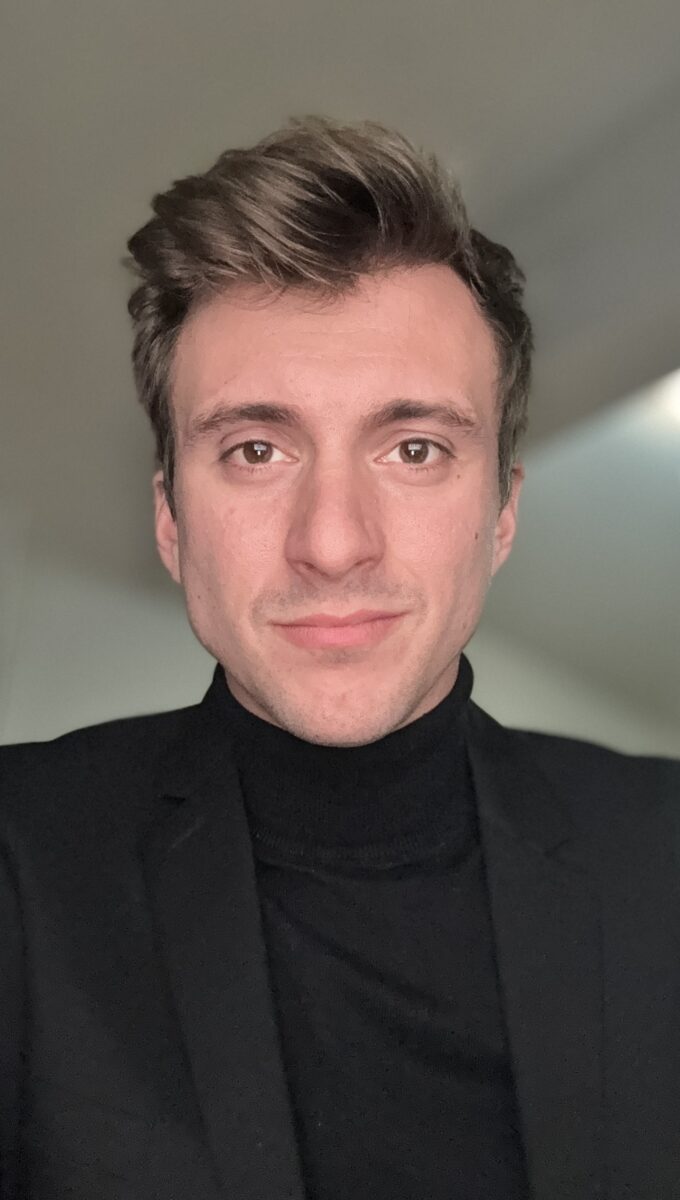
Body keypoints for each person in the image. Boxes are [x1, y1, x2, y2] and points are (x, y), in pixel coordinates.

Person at [1, 117, 678, 1200]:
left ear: (500, 513)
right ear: (170, 519)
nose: (330, 542)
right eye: (254, 450)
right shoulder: (21, 859)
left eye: (413, 449)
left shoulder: (663, 854)